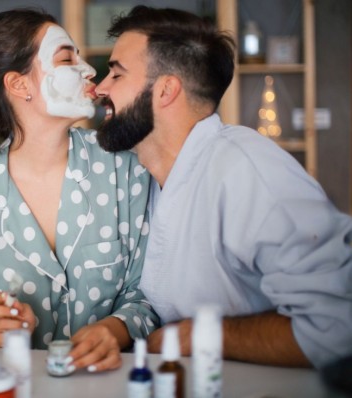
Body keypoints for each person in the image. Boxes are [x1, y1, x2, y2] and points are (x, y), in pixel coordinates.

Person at [94, 5, 352, 368]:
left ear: (166, 89)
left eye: (116, 74)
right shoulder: (145, 179)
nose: (98, 88)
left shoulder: (248, 171)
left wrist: (196, 335)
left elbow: (339, 326)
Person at [0, 8, 158, 372]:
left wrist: (114, 329)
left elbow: (150, 295)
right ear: (19, 85)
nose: (89, 70)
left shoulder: (125, 168)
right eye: (67, 58)